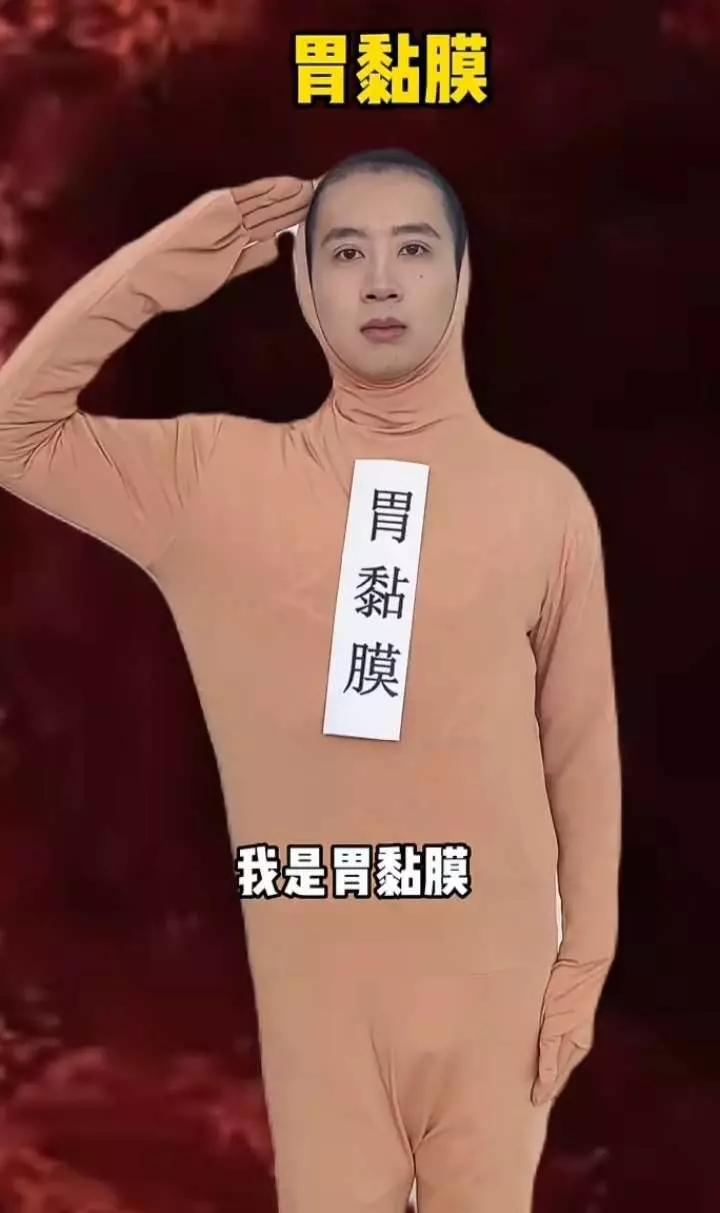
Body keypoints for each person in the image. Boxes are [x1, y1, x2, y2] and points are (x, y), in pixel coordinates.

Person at [0, 148, 622, 1213]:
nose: (380, 281)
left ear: (462, 275)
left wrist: (585, 961)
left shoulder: (541, 499)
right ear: (300, 280)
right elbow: (16, 432)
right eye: (345, 253)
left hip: (497, 991)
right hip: (322, 1006)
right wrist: (174, 260)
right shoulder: (211, 483)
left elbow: (579, 741)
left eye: (413, 250)